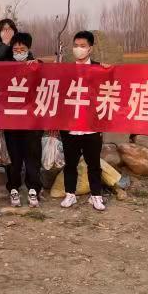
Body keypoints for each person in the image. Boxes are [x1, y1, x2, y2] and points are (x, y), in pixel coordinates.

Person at [59, 30, 106, 212]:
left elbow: (112, 88)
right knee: (70, 163)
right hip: (70, 126)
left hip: (91, 126)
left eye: (83, 46)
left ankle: (96, 195)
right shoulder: (66, 70)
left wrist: (109, 71)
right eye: (76, 45)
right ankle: (70, 193)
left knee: (93, 164)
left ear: (90, 48)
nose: (79, 49)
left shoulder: (99, 69)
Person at [0, 32, 43, 207]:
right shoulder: (5, 67)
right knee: (14, 158)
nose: (18, 52)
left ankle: (33, 189)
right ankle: (13, 188)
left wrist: (38, 65)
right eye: (15, 49)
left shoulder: (36, 65)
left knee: (33, 157)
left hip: (32, 122)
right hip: (11, 121)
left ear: (28, 49)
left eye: (22, 49)